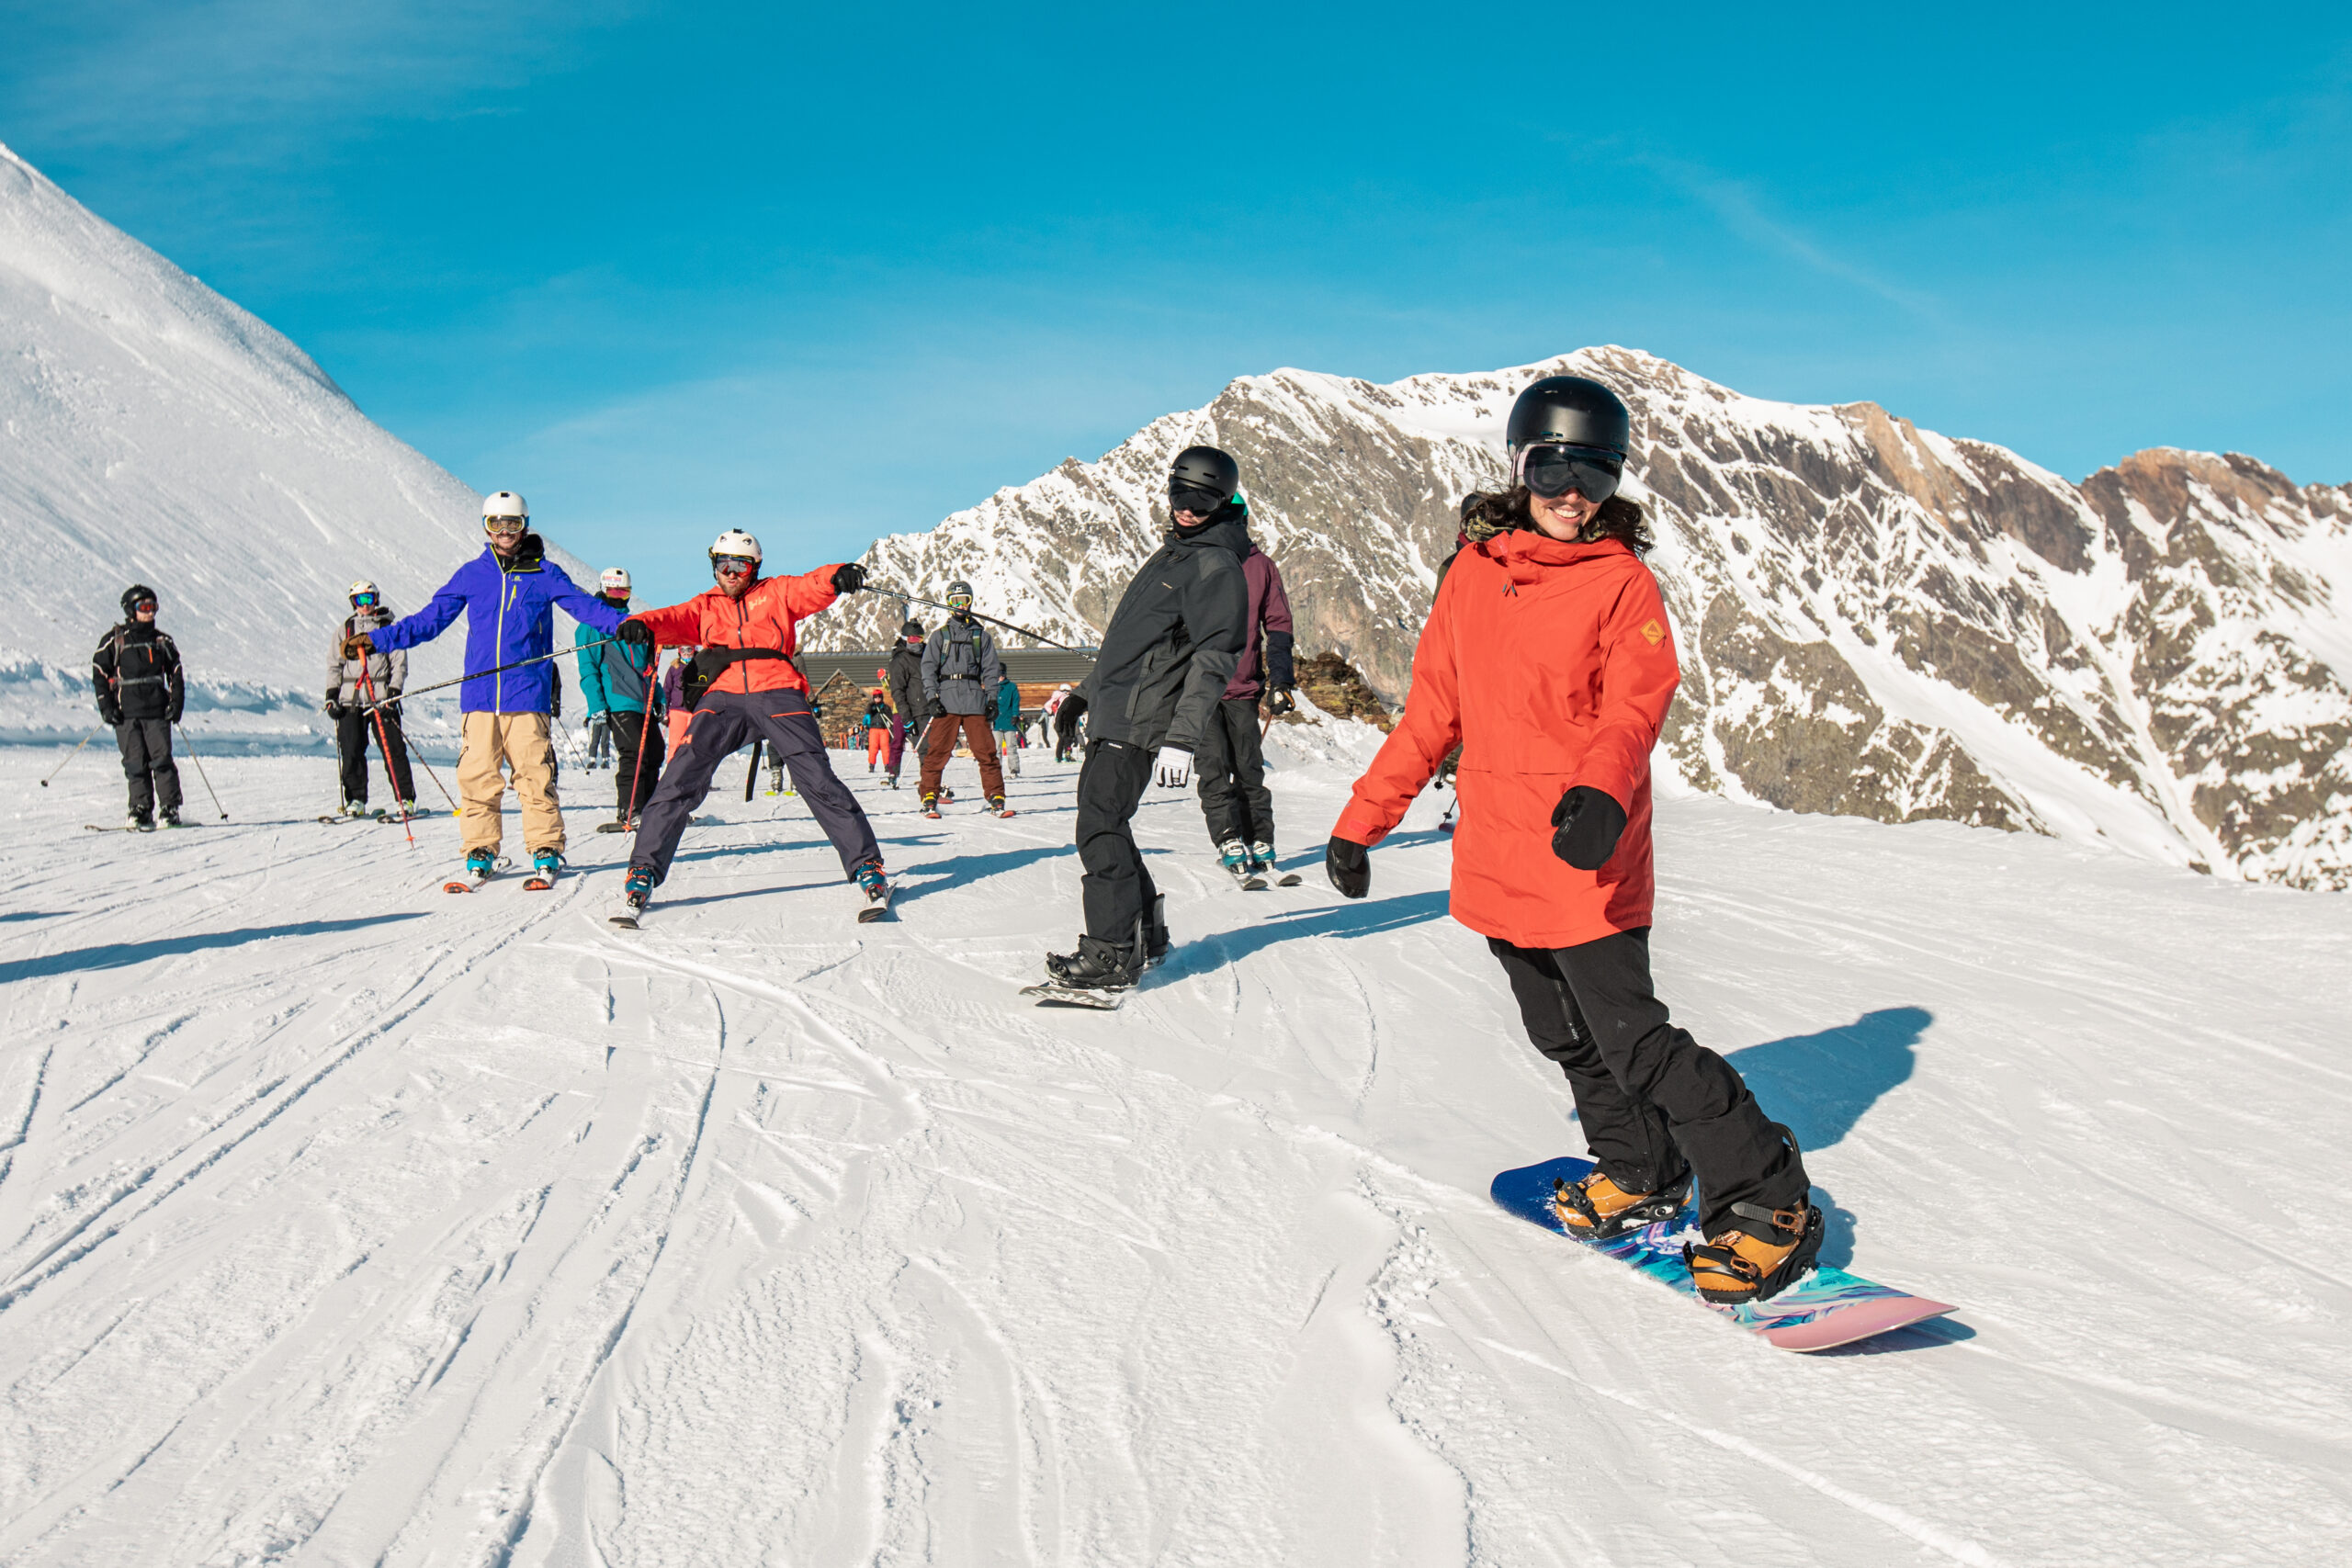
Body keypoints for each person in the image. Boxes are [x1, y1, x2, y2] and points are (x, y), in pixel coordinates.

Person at [1323, 375, 1820, 1305]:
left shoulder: (1620, 582)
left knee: (1635, 1042)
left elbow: (1632, 710)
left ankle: (1769, 1200)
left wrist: (1597, 794)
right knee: (1561, 1034)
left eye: (1593, 467)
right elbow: (1433, 713)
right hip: (1496, 856)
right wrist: (1363, 819)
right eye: (1553, 463)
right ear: (1519, 464)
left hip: (1582, 851)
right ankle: (1637, 1171)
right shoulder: (1470, 575)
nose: (1571, 489)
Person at [1040, 446, 1251, 995]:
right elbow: (1130, 648)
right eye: (1180, 494)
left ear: (1224, 500)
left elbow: (1213, 659)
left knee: (1099, 825)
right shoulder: (1176, 553)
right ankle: (1146, 933)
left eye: (1202, 500)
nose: (1187, 508)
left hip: (1141, 719)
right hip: (1116, 711)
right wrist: (1083, 696)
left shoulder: (1213, 564)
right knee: (1106, 820)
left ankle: (1111, 952)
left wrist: (1182, 739)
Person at [347, 491, 626, 884]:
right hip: (479, 697)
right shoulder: (472, 574)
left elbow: (586, 608)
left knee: (534, 775)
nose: (505, 532)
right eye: (496, 524)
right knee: (477, 776)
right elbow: (430, 620)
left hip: (526, 694)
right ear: (486, 527)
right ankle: (480, 847)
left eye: (512, 524)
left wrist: (626, 625)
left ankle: (545, 846)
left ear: (524, 525)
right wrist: (378, 640)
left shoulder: (544, 574)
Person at [611, 531, 888, 919]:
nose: (730, 572)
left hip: (777, 688)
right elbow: (671, 618)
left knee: (815, 776)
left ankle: (866, 866)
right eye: (723, 564)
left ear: (753, 567)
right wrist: (641, 624)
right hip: (723, 695)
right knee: (682, 771)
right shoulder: (706, 605)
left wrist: (835, 576)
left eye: (739, 565)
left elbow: (810, 586)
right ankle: (643, 870)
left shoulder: (775, 592)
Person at [1194, 525, 1297, 882]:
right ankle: (1228, 839)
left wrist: (1282, 679)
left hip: (1244, 687)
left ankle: (1260, 839)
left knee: (1249, 768)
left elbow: (1279, 624)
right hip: (1201, 690)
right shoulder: (1196, 559)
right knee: (1214, 768)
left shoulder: (1261, 566)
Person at [92, 583, 185, 830]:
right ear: (131, 610)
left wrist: (176, 703)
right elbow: (100, 672)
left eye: (153, 606)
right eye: (144, 607)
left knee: (162, 760)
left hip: (156, 712)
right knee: (135, 763)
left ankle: (169, 808)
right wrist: (106, 706)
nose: (150, 612)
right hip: (126, 713)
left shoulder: (161, 641)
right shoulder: (115, 640)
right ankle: (141, 809)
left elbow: (176, 672)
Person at [576, 567, 662, 828]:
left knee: (655, 753)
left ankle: (649, 808)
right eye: (613, 590)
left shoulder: (636, 624)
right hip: (618, 700)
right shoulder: (592, 625)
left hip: (641, 700)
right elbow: (588, 668)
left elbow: (649, 667)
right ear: (603, 589)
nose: (618, 596)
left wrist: (657, 697)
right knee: (634, 754)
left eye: (623, 591)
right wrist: (596, 705)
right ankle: (629, 811)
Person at [917, 583, 1008, 817]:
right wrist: (932, 697)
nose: (960, 605)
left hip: (974, 699)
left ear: (971, 602)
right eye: (955, 601)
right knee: (937, 750)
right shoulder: (940, 636)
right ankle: (929, 795)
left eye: (964, 600)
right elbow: (928, 669)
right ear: (948, 603)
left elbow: (990, 669)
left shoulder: (981, 637)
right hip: (946, 700)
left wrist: (992, 699)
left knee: (986, 751)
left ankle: (996, 796)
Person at [325, 580, 415, 816]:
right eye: (359, 600)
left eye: (368, 599)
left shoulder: (387, 627)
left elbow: (399, 664)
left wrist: (394, 692)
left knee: (393, 750)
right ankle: (356, 799)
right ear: (353, 602)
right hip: (351, 699)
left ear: (376, 600)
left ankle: (405, 799)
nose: (364, 605)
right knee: (352, 750)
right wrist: (331, 696)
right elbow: (335, 665)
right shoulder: (344, 630)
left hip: (382, 698)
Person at [883, 620, 931, 788]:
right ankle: (927, 786)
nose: (915, 643)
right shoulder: (899, 660)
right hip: (909, 711)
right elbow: (897, 691)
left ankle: (931, 782)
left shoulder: (928, 655)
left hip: (929, 707)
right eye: (911, 640)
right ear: (904, 639)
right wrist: (906, 716)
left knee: (932, 747)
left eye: (919, 639)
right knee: (913, 744)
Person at [993, 661, 1024, 778]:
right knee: (996, 749)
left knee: (1011, 747)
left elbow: (1015, 702)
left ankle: (1014, 770)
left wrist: (1015, 715)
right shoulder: (993, 687)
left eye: (1003, 673)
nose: (1001, 676)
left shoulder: (1011, 687)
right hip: (996, 722)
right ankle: (996, 771)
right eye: (999, 673)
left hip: (1009, 721)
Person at [1053, 688, 1087, 762]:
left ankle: (1065, 756)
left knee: (1067, 739)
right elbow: (1062, 714)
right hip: (1062, 723)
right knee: (1065, 739)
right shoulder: (1070, 701)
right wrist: (1060, 726)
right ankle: (1061, 757)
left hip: (1067, 723)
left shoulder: (1073, 701)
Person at [863, 689, 892, 773]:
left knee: (885, 747)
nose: (878, 698)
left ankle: (887, 765)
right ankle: (871, 765)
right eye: (876, 697)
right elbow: (867, 715)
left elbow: (890, 718)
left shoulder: (886, 707)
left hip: (884, 729)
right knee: (873, 748)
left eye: (879, 697)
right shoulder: (871, 708)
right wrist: (865, 723)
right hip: (873, 729)